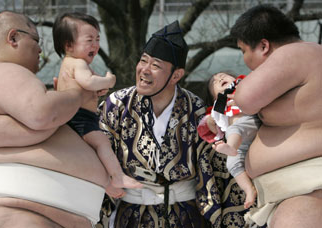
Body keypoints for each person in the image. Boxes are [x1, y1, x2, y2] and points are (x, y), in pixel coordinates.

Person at [98, 21, 248, 228]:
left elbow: (215, 169)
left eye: (155, 65)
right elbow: (97, 152)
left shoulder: (196, 108)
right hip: (131, 216)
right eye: (143, 61)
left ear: (176, 75)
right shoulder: (116, 105)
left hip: (186, 216)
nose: (144, 70)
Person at [0, 11, 112, 228]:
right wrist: (78, 95)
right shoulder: (4, 71)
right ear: (13, 38)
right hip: (19, 209)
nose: (40, 50)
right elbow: (42, 114)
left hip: (24, 207)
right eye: (36, 40)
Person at [230, 4, 322, 228]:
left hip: (309, 192)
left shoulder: (298, 52)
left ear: (263, 45)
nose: (244, 60)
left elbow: (246, 98)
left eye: (243, 51)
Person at [53, 12, 143, 198]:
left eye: (97, 39)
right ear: (69, 45)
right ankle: (117, 176)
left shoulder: (69, 63)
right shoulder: (78, 63)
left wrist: (96, 90)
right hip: (80, 116)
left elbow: (86, 87)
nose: (95, 44)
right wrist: (107, 81)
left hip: (74, 116)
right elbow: (89, 83)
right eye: (89, 40)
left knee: (91, 153)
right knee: (102, 142)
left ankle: (108, 185)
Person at [197, 72, 261, 209]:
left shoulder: (242, 86)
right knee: (232, 164)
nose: (220, 78)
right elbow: (208, 131)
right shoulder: (217, 108)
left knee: (234, 129)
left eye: (223, 75)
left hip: (251, 123)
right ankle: (249, 190)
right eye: (214, 82)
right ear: (214, 96)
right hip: (241, 143)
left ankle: (230, 147)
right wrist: (210, 121)